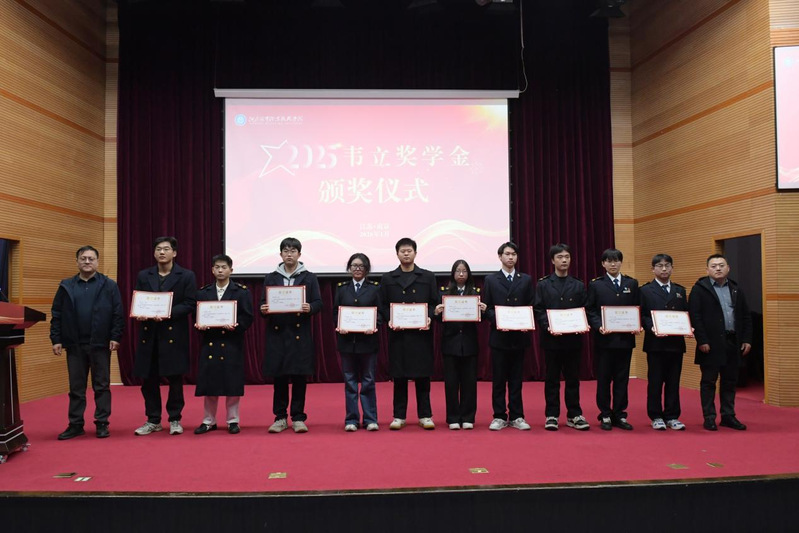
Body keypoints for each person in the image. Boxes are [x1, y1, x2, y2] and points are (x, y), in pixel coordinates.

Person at [50, 246, 124, 440]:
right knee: (76, 388)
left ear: (97, 262)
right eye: (83, 258)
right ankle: (75, 424)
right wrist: (56, 339)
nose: (87, 262)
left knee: (102, 386)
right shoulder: (66, 286)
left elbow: (117, 313)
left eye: (91, 258)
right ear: (77, 262)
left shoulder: (109, 285)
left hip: (100, 344)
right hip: (74, 345)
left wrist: (115, 337)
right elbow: (56, 314)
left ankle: (102, 423)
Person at [133, 236, 197, 436]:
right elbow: (140, 300)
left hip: (173, 334)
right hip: (149, 334)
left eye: (166, 249)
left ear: (174, 253)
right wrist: (140, 312)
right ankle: (153, 419)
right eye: (158, 249)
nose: (162, 252)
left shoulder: (186, 275)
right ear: (154, 253)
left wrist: (167, 312)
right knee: (149, 380)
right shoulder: (144, 275)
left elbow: (190, 303)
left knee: (175, 380)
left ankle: (175, 418)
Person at [259, 237, 322, 433]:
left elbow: (318, 302)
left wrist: (310, 307)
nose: (289, 254)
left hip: (299, 334)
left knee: (299, 377)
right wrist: (263, 309)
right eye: (286, 251)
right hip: (277, 334)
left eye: (293, 251)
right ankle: (280, 417)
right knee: (279, 378)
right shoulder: (271, 278)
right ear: (280, 254)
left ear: (299, 254)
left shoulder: (309, 277)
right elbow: (262, 303)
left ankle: (298, 417)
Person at [379, 237, 439, 430]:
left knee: (423, 377)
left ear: (415, 253)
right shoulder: (388, 278)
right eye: (402, 251)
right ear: (397, 254)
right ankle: (399, 416)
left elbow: (434, 303)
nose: (406, 254)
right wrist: (390, 319)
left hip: (421, 335)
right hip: (398, 335)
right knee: (399, 378)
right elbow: (382, 305)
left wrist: (429, 316)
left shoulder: (427, 276)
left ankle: (425, 415)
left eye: (409, 250)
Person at [689, 254, 752, 431]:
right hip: (710, 344)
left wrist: (747, 339)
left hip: (733, 341)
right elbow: (695, 316)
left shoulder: (735, 288)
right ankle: (709, 417)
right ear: (707, 270)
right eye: (714, 266)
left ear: (728, 268)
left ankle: (728, 415)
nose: (718, 268)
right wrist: (702, 340)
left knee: (730, 381)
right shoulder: (699, 289)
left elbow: (745, 316)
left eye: (721, 265)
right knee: (709, 382)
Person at [193, 254, 253, 435]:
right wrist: (200, 325)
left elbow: (247, 317)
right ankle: (208, 421)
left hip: (231, 342)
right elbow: (197, 315)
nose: (220, 270)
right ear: (212, 270)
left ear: (231, 270)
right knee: (209, 383)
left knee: (232, 384)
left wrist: (236, 326)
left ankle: (233, 420)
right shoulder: (203, 292)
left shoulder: (241, 292)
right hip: (210, 342)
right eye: (217, 267)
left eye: (224, 267)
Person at [533, 243, 590, 431]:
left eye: (567, 257)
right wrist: (548, 325)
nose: (564, 260)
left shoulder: (578, 284)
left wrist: (583, 323)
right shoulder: (543, 284)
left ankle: (574, 414)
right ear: (552, 260)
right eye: (560, 257)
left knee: (573, 378)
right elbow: (538, 310)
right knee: (552, 379)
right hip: (551, 340)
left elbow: (585, 309)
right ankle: (552, 415)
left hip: (573, 340)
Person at [482, 242, 534, 431]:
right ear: (500, 257)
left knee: (516, 380)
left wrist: (525, 321)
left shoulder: (525, 279)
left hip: (519, 337)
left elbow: (531, 305)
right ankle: (499, 416)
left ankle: (517, 416)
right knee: (498, 380)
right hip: (499, 337)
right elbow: (486, 308)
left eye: (514, 254)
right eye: (507, 254)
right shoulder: (491, 280)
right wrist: (499, 320)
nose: (511, 257)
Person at [587, 248, 641, 431]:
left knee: (622, 379)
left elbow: (637, 307)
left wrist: (637, 324)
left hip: (625, 340)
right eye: (609, 261)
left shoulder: (631, 283)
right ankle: (605, 414)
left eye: (616, 260)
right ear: (603, 264)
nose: (613, 264)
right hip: (604, 340)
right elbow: (590, 310)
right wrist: (598, 326)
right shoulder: (596, 285)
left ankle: (620, 414)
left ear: (621, 262)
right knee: (603, 379)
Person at [434, 260, 486, 430]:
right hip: (450, 344)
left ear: (469, 274)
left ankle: (468, 417)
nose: (461, 274)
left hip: (469, 344)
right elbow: (438, 320)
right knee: (451, 383)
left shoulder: (476, 293)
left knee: (469, 382)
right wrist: (437, 313)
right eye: (458, 271)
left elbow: (482, 319)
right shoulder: (444, 292)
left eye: (464, 271)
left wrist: (483, 311)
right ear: (453, 274)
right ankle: (453, 418)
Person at [640, 254, 689, 431]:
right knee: (655, 381)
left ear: (672, 268)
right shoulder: (645, 290)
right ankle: (656, 415)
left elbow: (685, 314)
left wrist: (688, 327)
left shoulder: (680, 290)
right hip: (655, 343)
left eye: (667, 265)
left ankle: (672, 415)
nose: (664, 269)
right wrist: (651, 327)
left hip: (676, 344)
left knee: (673, 381)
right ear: (653, 269)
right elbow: (642, 314)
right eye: (660, 266)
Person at [334, 253, 381, 432]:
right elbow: (335, 313)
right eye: (354, 266)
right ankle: (351, 419)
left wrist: (374, 325)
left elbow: (381, 313)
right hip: (347, 342)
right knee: (350, 382)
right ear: (349, 268)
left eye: (361, 266)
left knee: (368, 381)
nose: (357, 269)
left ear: (367, 269)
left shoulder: (375, 288)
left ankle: (370, 419)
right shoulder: (341, 288)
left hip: (368, 342)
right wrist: (339, 326)